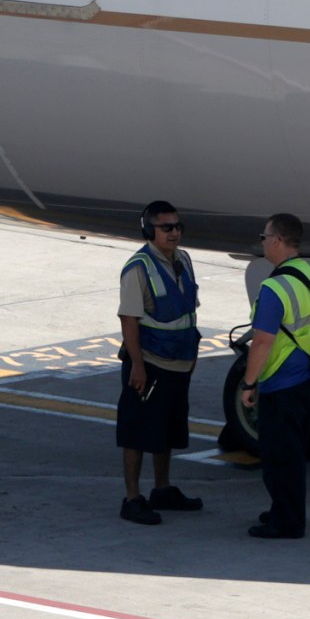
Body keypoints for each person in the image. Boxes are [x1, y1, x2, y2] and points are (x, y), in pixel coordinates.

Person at [116, 200, 203, 525]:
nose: (175, 232)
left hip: (178, 363)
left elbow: (188, 310)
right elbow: (129, 320)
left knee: (167, 430)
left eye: (178, 226)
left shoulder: (184, 260)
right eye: (167, 227)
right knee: (136, 432)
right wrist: (137, 366)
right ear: (149, 230)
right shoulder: (138, 267)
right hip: (149, 364)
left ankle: (162, 490)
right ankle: (132, 498)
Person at [241, 213, 310, 539]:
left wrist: (248, 383)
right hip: (303, 378)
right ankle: (284, 510)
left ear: (276, 241)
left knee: (278, 459)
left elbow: (262, 342)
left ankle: (287, 522)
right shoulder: (308, 273)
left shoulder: (274, 287)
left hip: (279, 381)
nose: (262, 242)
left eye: (264, 237)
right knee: (292, 455)